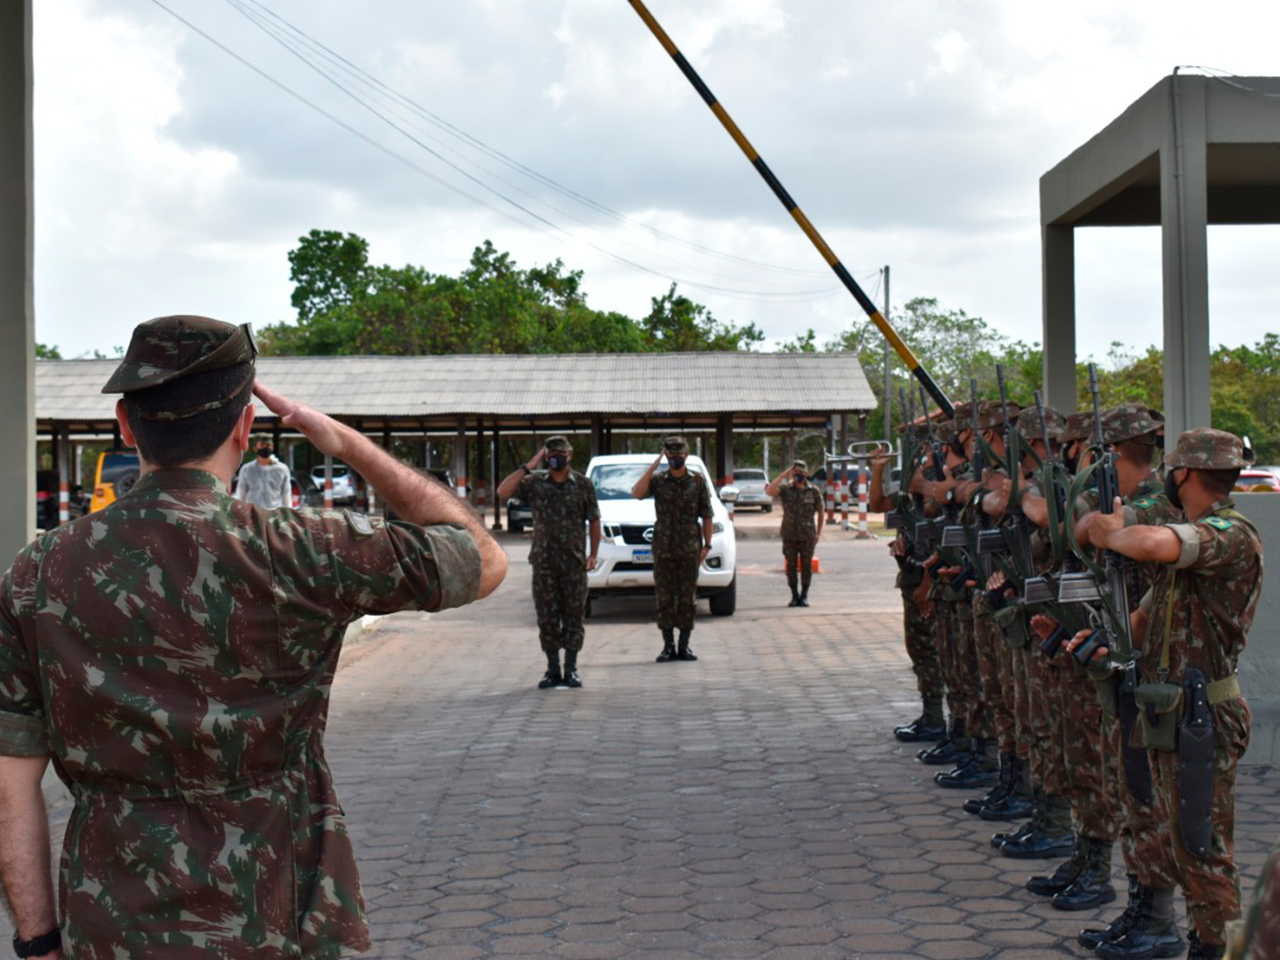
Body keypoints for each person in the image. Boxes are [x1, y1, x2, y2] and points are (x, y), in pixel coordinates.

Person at [0, 315, 507, 959]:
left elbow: (10, 776)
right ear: (245, 427)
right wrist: (347, 445)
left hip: (110, 923)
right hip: (282, 914)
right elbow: (483, 559)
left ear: (126, 426)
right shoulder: (302, 549)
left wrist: (39, 940)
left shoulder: (40, 570)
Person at [1068, 428, 1264, 960]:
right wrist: (1104, 643)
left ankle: (1220, 949)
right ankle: (1186, 935)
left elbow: (1152, 543)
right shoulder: (1194, 543)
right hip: (1168, 711)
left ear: (1183, 474)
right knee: (1173, 838)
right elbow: (1146, 612)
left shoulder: (1230, 533)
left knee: (1203, 849)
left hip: (1204, 718)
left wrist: (1109, 532)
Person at [497, 436, 601, 689]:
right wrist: (528, 466)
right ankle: (552, 669)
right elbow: (503, 492)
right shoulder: (534, 483)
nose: (557, 457)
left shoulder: (583, 484)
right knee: (547, 618)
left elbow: (594, 520)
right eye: (552, 453)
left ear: (570, 455)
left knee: (574, 617)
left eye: (561, 453)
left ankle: (571, 669)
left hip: (574, 563)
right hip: (544, 563)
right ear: (545, 456)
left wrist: (593, 554)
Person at [631, 436, 712, 663]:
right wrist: (652, 467)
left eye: (679, 455)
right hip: (664, 549)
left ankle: (684, 646)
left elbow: (706, 515)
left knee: (687, 598)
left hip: (689, 549)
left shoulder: (697, 482)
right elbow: (636, 493)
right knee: (665, 598)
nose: (675, 458)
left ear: (686, 456)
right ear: (666, 456)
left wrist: (707, 545)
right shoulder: (658, 480)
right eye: (671, 455)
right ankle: (667, 646)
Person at [765, 459, 825, 607]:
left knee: (806, 566)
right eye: (795, 472)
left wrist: (818, 533)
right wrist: (783, 474)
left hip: (807, 535)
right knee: (791, 567)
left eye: (801, 472)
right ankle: (794, 595)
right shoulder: (786, 489)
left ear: (806, 473)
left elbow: (821, 512)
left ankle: (804, 595)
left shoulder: (814, 490)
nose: (798, 475)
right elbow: (769, 491)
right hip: (789, 534)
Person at [234, 435, 293, 508]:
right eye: (262, 445)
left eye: (268, 445)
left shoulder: (282, 469)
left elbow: (286, 494)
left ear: (272, 447)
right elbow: (240, 493)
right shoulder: (247, 469)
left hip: (274, 514)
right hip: (253, 514)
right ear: (255, 448)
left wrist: (288, 514)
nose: (265, 447)